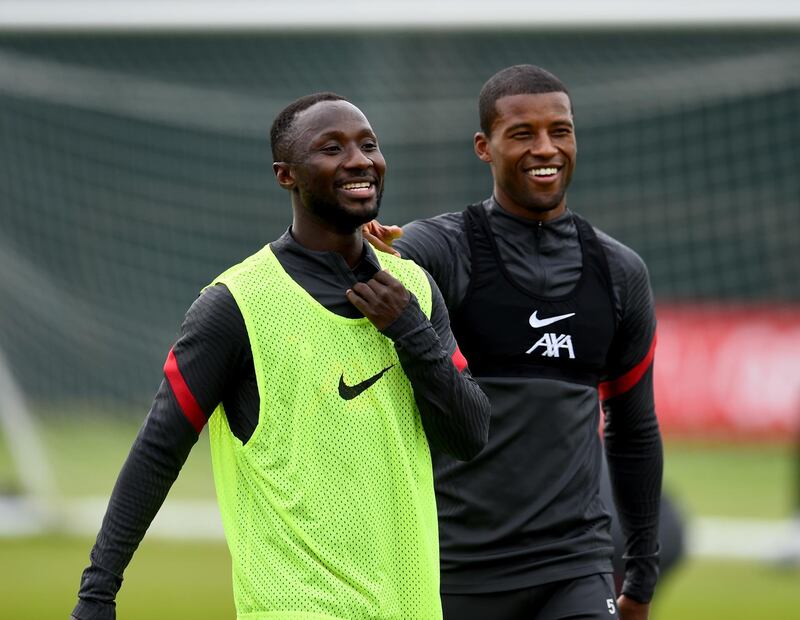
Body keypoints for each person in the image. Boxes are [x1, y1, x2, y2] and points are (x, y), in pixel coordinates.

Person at [70, 92, 491, 620]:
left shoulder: (413, 290)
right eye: (331, 148)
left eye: (368, 145)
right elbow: (158, 449)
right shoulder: (234, 305)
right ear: (285, 175)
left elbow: (470, 435)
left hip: (412, 606)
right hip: (294, 606)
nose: (359, 160)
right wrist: (97, 594)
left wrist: (410, 332)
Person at [366, 64, 663, 620]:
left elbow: (634, 429)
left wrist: (641, 576)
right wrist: (366, 245)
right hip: (454, 569)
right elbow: (370, 267)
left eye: (561, 130)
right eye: (523, 133)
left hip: (574, 568)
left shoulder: (620, 272)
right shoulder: (442, 248)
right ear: (485, 146)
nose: (545, 148)